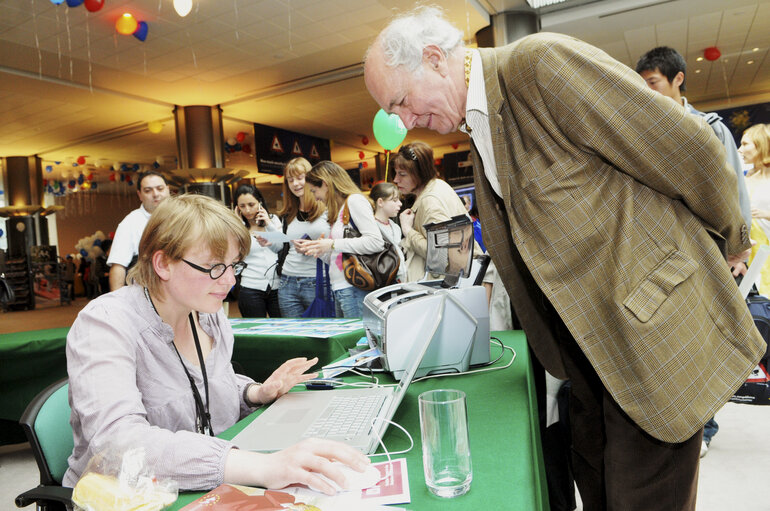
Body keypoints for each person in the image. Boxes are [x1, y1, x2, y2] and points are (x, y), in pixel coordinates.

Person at [364, 6, 765, 510]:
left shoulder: (539, 65)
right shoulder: (479, 127)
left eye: (399, 103)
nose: (401, 123)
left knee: (642, 496)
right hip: (588, 354)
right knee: (595, 482)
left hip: (648, 330)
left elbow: (686, 149)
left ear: (434, 59)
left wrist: (734, 240)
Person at [64, 193, 370, 493]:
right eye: (214, 268)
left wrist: (254, 393)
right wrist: (260, 467)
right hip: (131, 497)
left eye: (233, 265)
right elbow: (119, 444)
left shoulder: (208, 316)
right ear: (163, 264)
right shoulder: (105, 324)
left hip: (210, 488)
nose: (230, 281)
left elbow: (206, 389)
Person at [636, 45, 752, 458]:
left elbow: (734, 188)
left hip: (710, 250)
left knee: (708, 338)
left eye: (654, 83)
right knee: (677, 341)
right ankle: (684, 421)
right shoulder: (645, 130)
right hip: (666, 254)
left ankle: (705, 426)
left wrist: (738, 248)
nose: (648, 92)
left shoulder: (710, 127)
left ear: (678, 79)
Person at [295, 161, 385, 318]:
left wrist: (332, 244)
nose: (316, 197)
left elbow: (376, 242)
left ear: (325, 184)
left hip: (354, 288)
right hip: (343, 287)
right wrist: (318, 248)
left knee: (355, 340)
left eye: (314, 191)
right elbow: (339, 257)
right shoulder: (341, 210)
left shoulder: (354, 201)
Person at [391, 141, 472, 282]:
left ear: (419, 173)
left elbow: (442, 257)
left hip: (446, 286)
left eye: (402, 174)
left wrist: (408, 230)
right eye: (396, 173)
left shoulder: (430, 201)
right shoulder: (439, 186)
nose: (396, 179)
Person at [263, 158, 328, 317]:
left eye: (300, 178)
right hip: (287, 281)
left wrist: (314, 247)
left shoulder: (327, 210)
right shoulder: (289, 213)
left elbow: (338, 248)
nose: (295, 184)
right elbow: (284, 248)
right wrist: (270, 241)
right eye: (290, 180)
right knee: (295, 336)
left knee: (319, 334)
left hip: (317, 281)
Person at [107, 171, 170, 291]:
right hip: (148, 293)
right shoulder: (130, 222)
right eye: (148, 190)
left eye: (160, 188)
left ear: (168, 190)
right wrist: (118, 303)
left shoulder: (182, 216)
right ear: (139, 195)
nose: (155, 194)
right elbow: (118, 266)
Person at [234, 184, 282, 318]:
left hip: (277, 286)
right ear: (237, 208)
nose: (247, 210)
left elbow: (281, 245)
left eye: (251, 204)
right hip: (250, 286)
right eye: (242, 206)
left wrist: (268, 223)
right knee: (256, 331)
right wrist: (239, 226)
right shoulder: (237, 227)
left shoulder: (273, 220)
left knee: (282, 331)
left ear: (259, 203)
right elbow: (236, 254)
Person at [740, 124, 770, 292]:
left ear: (761, 145)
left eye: (745, 144)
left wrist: (766, 214)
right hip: (753, 255)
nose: (739, 149)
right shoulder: (746, 179)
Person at [370, 182, 407, 283]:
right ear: (380, 202)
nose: (400, 203)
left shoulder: (395, 227)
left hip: (400, 281)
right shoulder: (370, 228)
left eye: (399, 200)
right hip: (382, 282)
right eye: (394, 200)